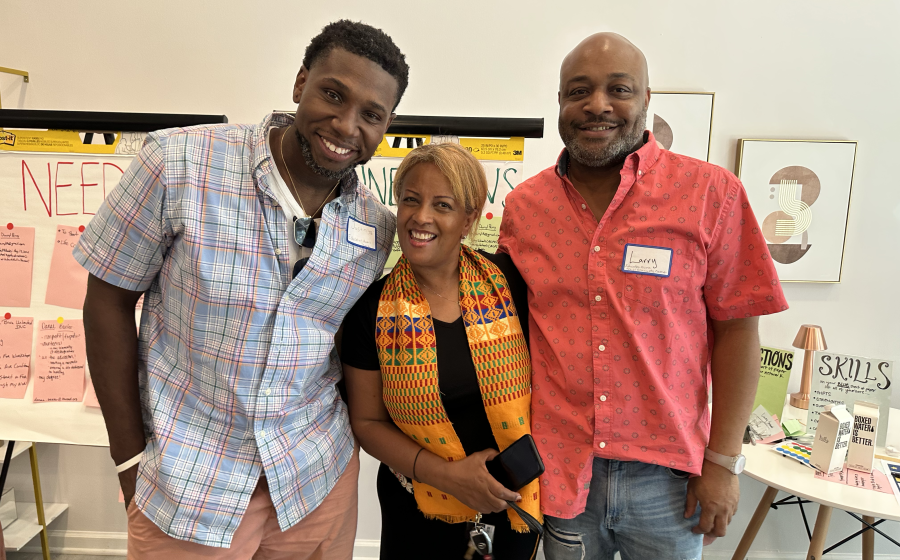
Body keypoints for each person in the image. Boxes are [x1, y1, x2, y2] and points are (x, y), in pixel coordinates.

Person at [75, 20, 407, 559]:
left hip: (314, 482)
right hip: (187, 488)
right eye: (332, 94)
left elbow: (344, 343)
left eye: (371, 115)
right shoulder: (177, 163)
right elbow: (106, 300)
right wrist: (129, 460)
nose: (346, 125)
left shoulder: (376, 226)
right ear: (300, 83)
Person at [497, 33, 789, 560]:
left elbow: (740, 331)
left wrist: (724, 463)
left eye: (619, 88)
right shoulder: (524, 208)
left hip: (671, 481)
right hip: (563, 472)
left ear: (647, 99)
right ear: (560, 102)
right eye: (578, 90)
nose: (598, 105)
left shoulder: (711, 195)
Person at [341, 142, 542, 560]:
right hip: (418, 508)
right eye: (410, 200)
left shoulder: (509, 284)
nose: (421, 217)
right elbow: (367, 421)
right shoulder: (370, 309)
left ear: (470, 218)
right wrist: (449, 477)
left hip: (511, 499)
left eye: (443, 205)